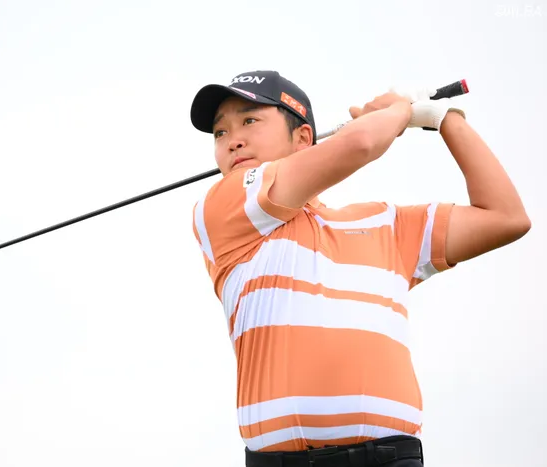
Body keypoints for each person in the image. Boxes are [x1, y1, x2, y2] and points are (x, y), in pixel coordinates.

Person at [188, 70, 531, 467]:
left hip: (390, 459)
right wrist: (400, 111)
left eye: (249, 120)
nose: (233, 140)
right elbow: (362, 143)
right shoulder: (223, 207)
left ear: (302, 138)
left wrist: (444, 119)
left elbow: (506, 217)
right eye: (220, 133)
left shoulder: (385, 224)